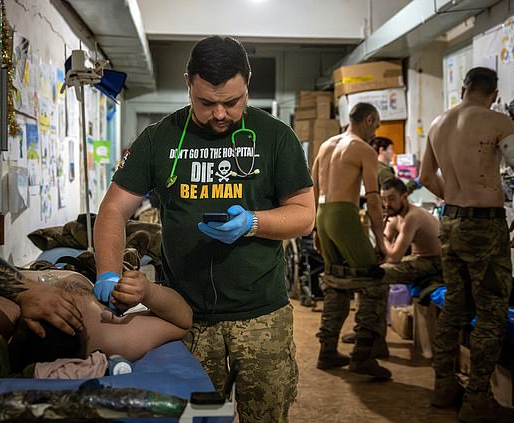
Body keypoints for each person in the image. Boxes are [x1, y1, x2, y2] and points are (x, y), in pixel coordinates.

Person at [93, 36, 314, 422]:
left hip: (261, 314)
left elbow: (304, 214)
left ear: (248, 82)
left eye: (232, 102)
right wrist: (108, 271)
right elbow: (113, 209)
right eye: (206, 102)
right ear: (187, 84)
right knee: (193, 417)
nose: (220, 115)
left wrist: (254, 222)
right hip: (185, 316)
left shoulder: (276, 137)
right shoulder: (158, 139)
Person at [419, 67, 514, 423]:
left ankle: (442, 388)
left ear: (465, 87)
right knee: (490, 313)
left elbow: (426, 176)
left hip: (451, 223)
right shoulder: (498, 121)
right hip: (485, 226)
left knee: (454, 306)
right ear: (496, 92)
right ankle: (476, 400)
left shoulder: (439, 123)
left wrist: (454, 203)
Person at [0, 227, 192, 377]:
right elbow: (182, 320)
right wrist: (147, 292)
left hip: (27, 270)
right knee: (122, 271)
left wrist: (23, 290)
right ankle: (132, 249)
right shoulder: (104, 336)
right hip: (89, 279)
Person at [311, 102, 391, 379]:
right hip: (344, 215)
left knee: (335, 281)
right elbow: (372, 198)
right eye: (377, 125)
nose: (376, 131)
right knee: (375, 281)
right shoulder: (363, 149)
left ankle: (327, 350)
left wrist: (316, 231)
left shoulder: (326, 145)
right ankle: (363, 356)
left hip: (322, 214)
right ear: (369, 120)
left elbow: (313, 189)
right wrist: (381, 241)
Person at [380, 177, 442, 284]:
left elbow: (394, 257)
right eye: (384, 199)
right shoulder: (395, 215)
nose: (387, 204)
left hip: (434, 261)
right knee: (372, 268)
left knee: (379, 273)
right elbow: (382, 248)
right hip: (417, 258)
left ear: (404, 197)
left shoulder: (412, 217)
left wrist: (380, 234)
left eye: (392, 198)